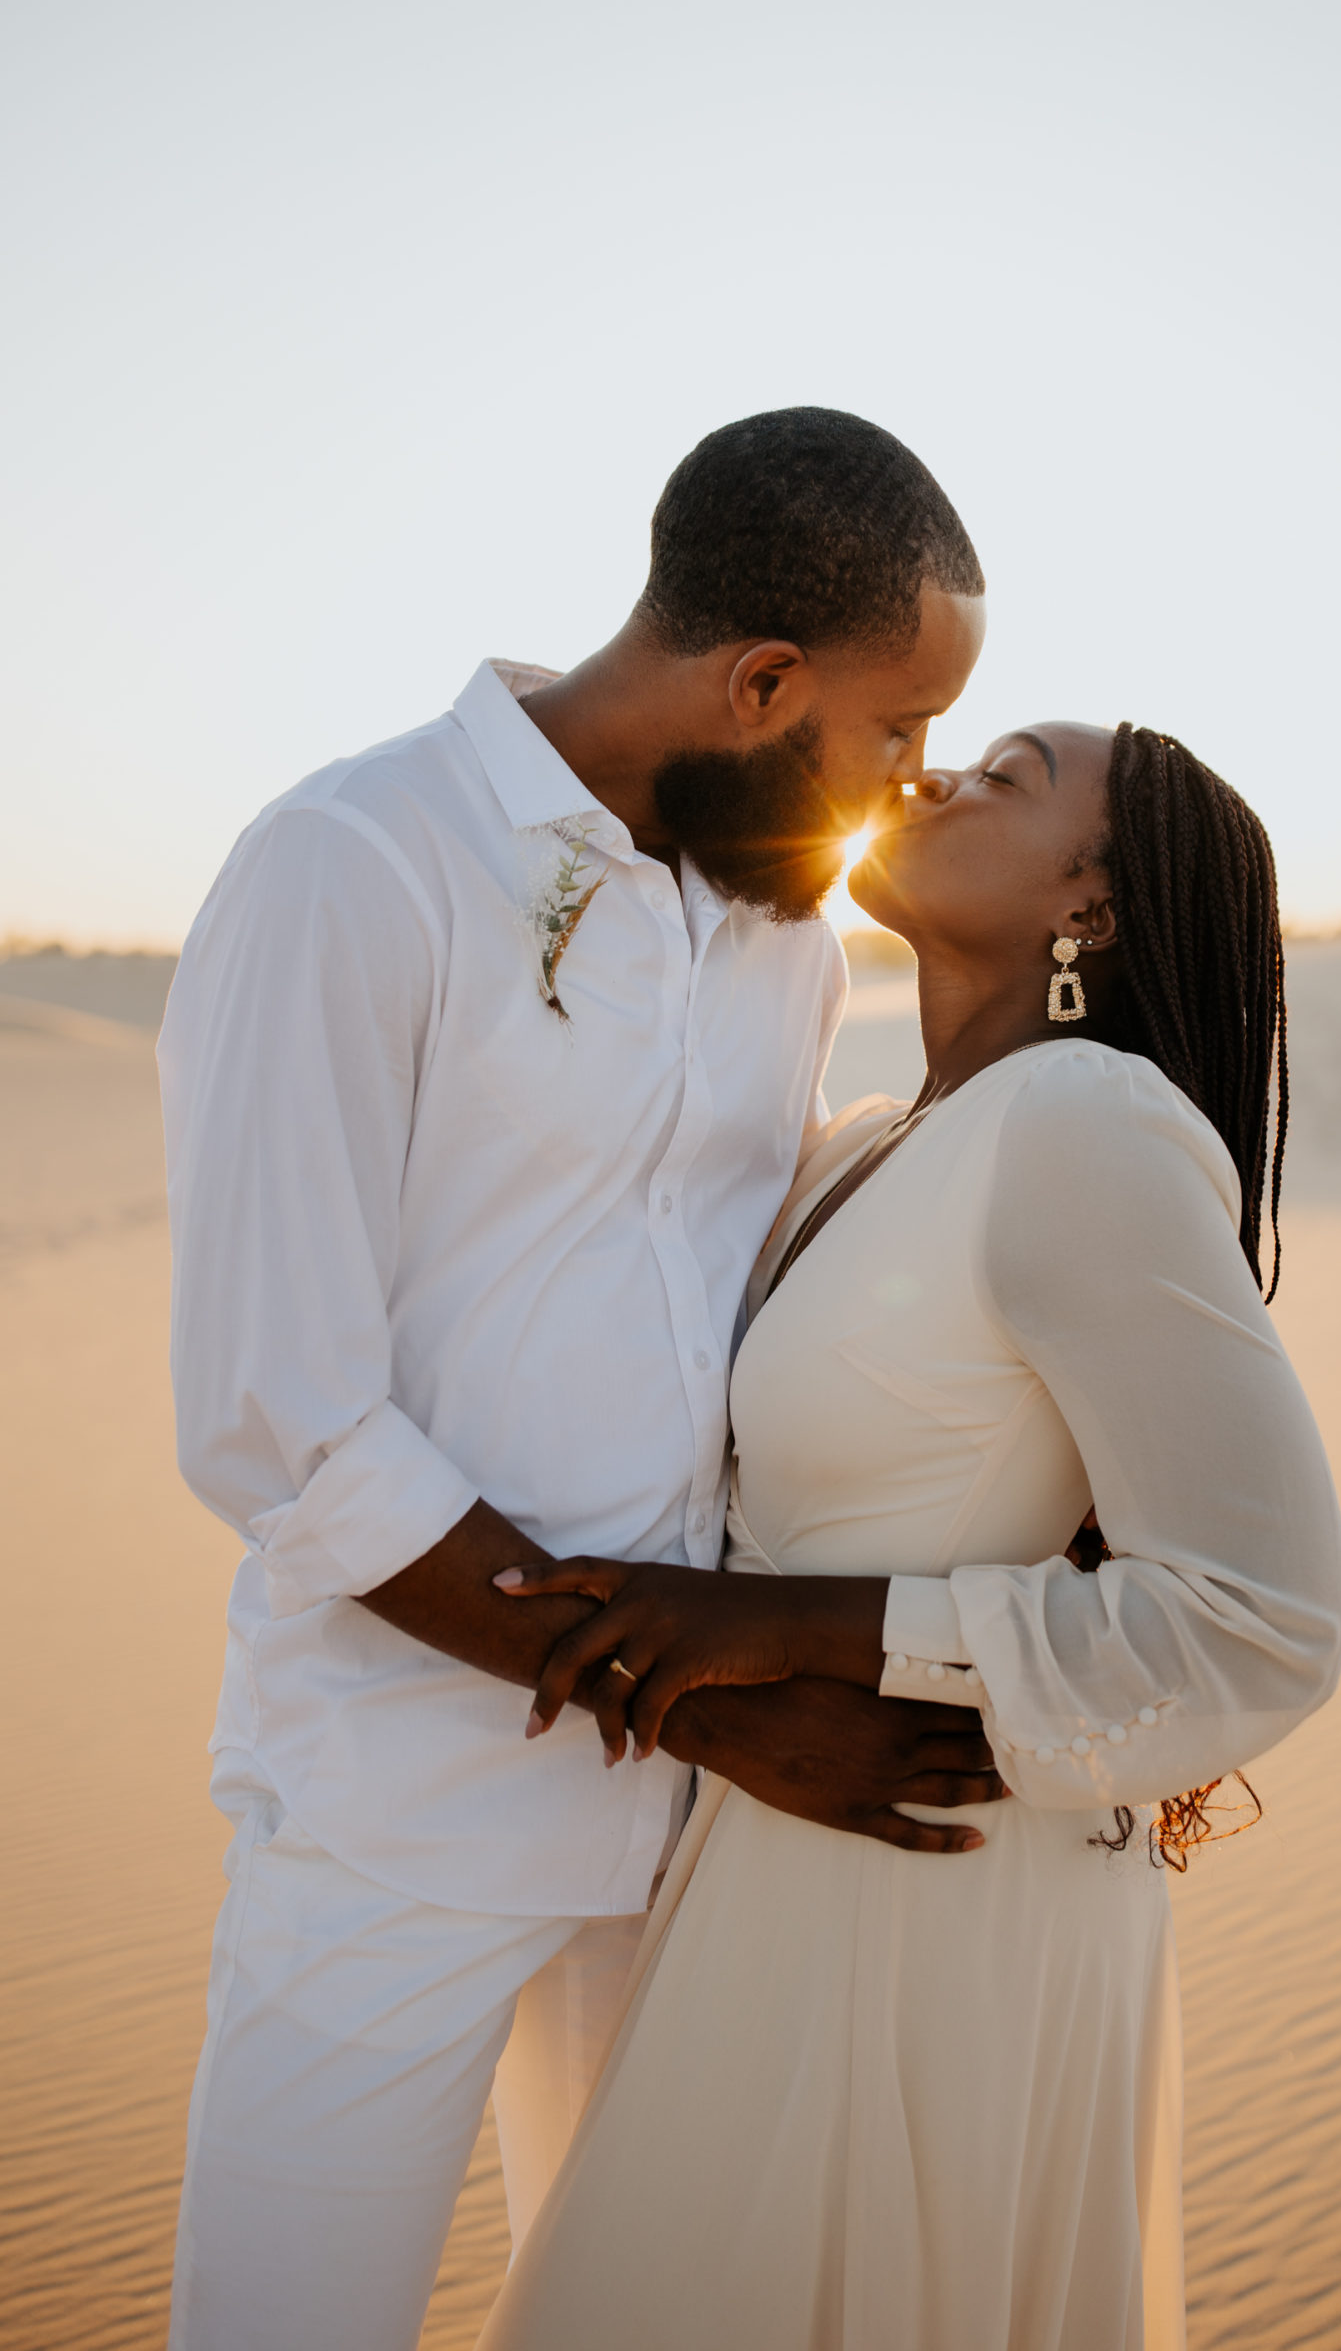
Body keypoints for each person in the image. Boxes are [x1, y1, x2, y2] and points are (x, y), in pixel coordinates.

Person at [158, 408, 993, 2351]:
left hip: (690, 1839)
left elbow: (745, 1322)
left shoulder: (783, 921)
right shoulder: (347, 863)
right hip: (397, 1804)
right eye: (894, 728)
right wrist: (696, 1709)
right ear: (760, 681)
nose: (913, 777)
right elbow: (279, 1420)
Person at [476, 720, 1341, 2351]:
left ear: (1085, 906)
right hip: (797, 1849)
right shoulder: (876, 1139)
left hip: (935, 1883)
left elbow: (1261, 1617)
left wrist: (795, 1632)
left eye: (1007, 777)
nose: (935, 774)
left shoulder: (1086, 1120)